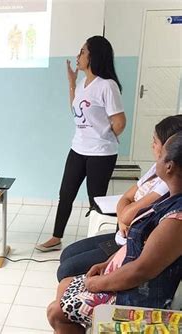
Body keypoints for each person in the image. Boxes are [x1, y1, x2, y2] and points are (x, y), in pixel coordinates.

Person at [47, 132, 182, 332]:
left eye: (161, 155)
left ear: (169, 166)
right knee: (65, 284)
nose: (157, 159)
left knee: (56, 312)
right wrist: (107, 263)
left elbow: (141, 270)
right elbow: (137, 247)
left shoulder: (176, 220)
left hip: (139, 303)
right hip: (130, 281)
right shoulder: (170, 200)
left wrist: (98, 284)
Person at [57, 115, 182, 281]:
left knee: (67, 269)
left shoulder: (169, 185)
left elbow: (141, 267)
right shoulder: (157, 170)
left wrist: (125, 215)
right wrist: (123, 219)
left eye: (156, 142)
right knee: (67, 254)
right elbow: (126, 197)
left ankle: (75, 295)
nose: (151, 145)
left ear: (170, 159)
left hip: (129, 246)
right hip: (123, 235)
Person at [36, 36, 126, 252]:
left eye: (82, 52)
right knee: (65, 193)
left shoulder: (107, 85)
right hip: (78, 148)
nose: (78, 56)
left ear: (93, 56)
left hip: (101, 153)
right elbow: (76, 110)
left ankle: (105, 244)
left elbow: (120, 122)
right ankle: (56, 237)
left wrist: (103, 135)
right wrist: (70, 83)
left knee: (96, 201)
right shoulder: (81, 83)